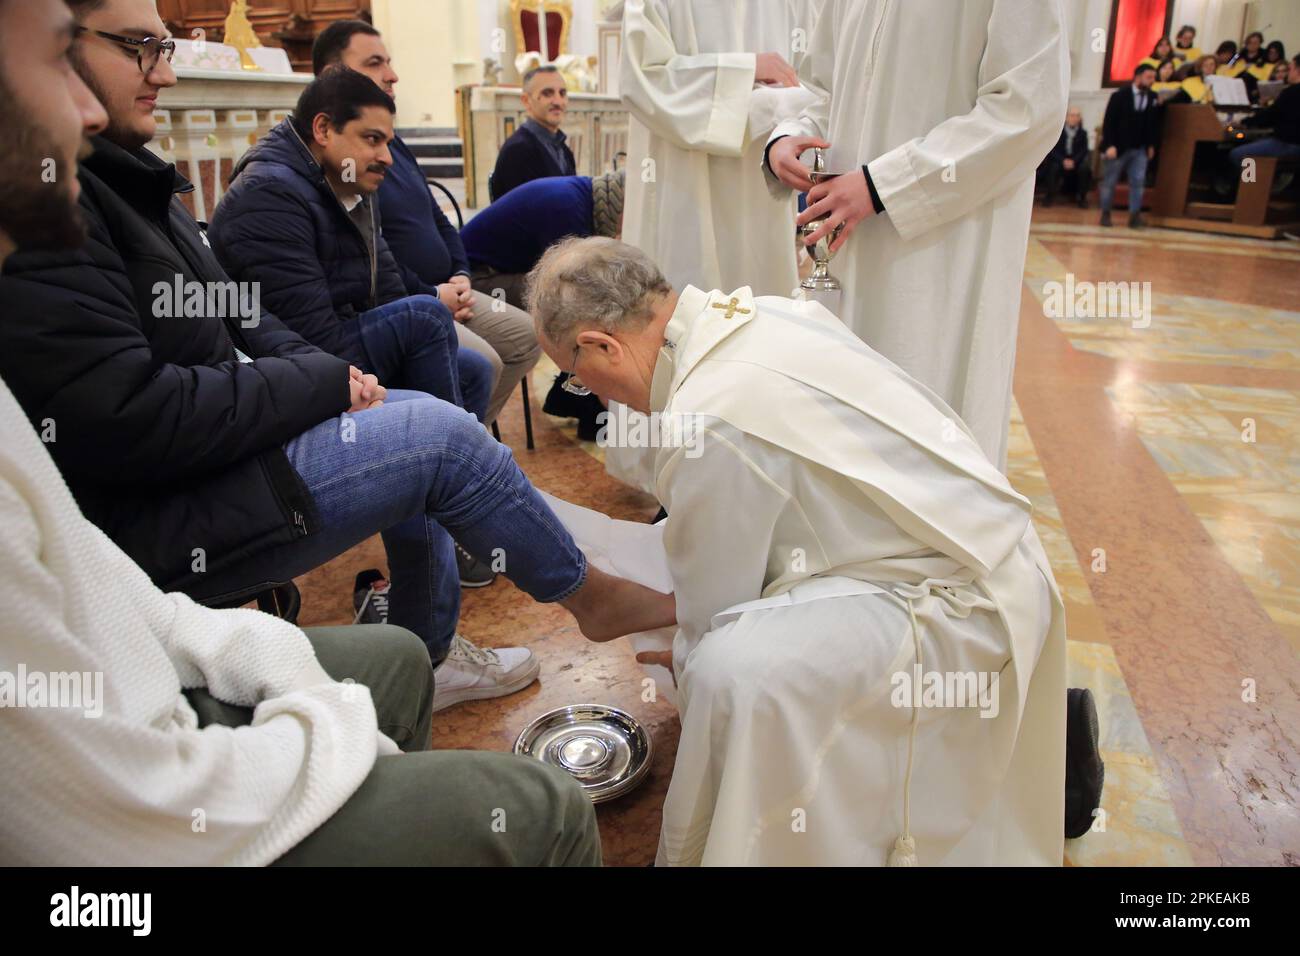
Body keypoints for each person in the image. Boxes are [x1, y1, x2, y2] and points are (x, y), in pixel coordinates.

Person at [0, 0, 603, 868]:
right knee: (436, 426)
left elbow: (245, 318)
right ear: (325, 127)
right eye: (137, 49)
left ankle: (461, 593)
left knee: (448, 386)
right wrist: (323, 379)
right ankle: (585, 591)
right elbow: (136, 416)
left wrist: (338, 373)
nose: (160, 74)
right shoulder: (229, 196)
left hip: (233, 447)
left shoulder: (144, 187)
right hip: (194, 497)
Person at [527, 237, 1076, 866]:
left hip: (960, 605)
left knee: (728, 669)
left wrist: (677, 650)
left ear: (601, 344)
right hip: (989, 554)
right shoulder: (763, 313)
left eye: (573, 373)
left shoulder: (705, 421)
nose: (587, 393)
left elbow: (716, 608)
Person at [764, 0, 1070, 468]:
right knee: (842, 428)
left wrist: (883, 185)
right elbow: (823, 88)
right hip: (848, 250)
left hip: (943, 250)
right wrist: (788, 136)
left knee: (927, 438)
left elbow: (1028, 106)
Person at [210, 69, 492, 427]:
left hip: (337, 340)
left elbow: (388, 288)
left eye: (388, 142)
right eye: (372, 139)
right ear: (323, 129)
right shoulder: (268, 194)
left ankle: (448, 457)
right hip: (289, 372)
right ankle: (448, 455)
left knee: (476, 369)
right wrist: (375, 388)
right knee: (424, 317)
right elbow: (308, 337)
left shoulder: (346, 181)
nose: (387, 157)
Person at [312, 19, 542, 428]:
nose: (393, 74)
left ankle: (474, 432)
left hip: (450, 292)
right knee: (484, 362)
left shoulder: (390, 141)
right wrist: (432, 295)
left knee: (526, 334)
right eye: (375, 62)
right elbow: (370, 257)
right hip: (408, 300)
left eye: (390, 62)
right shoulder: (342, 157)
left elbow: (437, 216)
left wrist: (460, 272)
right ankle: (461, 449)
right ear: (334, 76)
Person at [462, 171, 626, 309]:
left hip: (497, 269)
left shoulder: (584, 193)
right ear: (621, 207)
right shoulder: (569, 211)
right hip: (475, 278)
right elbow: (572, 278)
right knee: (568, 295)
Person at [490, 64, 576, 201]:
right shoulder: (518, 151)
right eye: (547, 93)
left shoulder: (563, 149)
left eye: (562, 93)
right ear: (526, 100)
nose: (558, 101)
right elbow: (521, 214)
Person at [1098, 63, 1160, 229]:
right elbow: (1109, 122)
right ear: (1138, 77)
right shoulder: (1120, 95)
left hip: (1140, 148)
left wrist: (1151, 145)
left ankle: (1134, 216)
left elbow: (1153, 124)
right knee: (1110, 181)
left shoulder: (1153, 97)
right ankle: (1105, 213)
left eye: (1153, 77)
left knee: (1138, 181)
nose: (1152, 81)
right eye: (1149, 77)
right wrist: (1109, 144)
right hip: (1118, 146)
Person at [1231, 53, 1300, 166]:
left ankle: (1251, 182)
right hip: (1293, 143)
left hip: (1287, 143)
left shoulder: (1291, 92)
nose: (1288, 73)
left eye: (1290, 69)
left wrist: (1243, 122)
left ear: (1298, 70)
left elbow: (1270, 115)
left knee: (1238, 155)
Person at [1038, 106, 1092, 207]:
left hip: (1075, 162)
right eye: (1072, 115)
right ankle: (1049, 196)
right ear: (1066, 117)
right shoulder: (1058, 132)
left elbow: (1084, 151)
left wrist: (1074, 161)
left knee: (1084, 168)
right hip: (1059, 160)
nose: (1074, 118)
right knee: (1052, 167)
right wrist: (1063, 160)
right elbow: (1052, 150)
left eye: (1077, 116)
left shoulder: (1083, 133)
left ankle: (1082, 198)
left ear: (1080, 118)